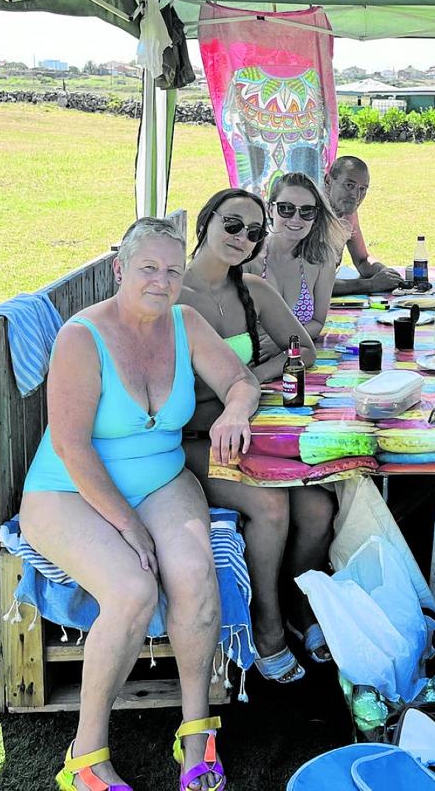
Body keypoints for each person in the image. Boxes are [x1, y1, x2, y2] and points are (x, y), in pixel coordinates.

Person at [19, 217, 256, 791]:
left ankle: (196, 734)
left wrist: (233, 411)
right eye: (148, 267)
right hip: (68, 488)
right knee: (131, 589)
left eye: (173, 270)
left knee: (196, 571)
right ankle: (85, 756)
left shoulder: (185, 322)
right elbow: (73, 446)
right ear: (120, 268)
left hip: (160, 479)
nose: (162, 280)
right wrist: (129, 527)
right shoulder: (82, 335)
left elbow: (241, 381)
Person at [184, 189, 338, 683]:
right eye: (232, 225)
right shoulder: (173, 295)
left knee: (318, 507)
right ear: (207, 221)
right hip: (187, 441)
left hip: (243, 431)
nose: (242, 239)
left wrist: (248, 375)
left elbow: (305, 349)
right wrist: (241, 382)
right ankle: (267, 626)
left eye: (253, 232)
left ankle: (296, 604)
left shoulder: (251, 289)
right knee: (271, 506)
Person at [246, 172, 349, 341]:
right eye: (286, 208)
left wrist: (286, 341)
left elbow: (317, 322)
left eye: (307, 211)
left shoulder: (322, 258)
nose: (296, 218)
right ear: (270, 210)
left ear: (315, 217)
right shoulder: (248, 257)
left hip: (298, 353)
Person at [324, 156, 405, 294]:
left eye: (363, 189)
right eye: (349, 185)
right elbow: (312, 284)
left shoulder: (348, 213)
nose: (356, 196)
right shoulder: (309, 216)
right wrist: (370, 284)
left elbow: (362, 260)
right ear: (328, 181)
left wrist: (384, 271)